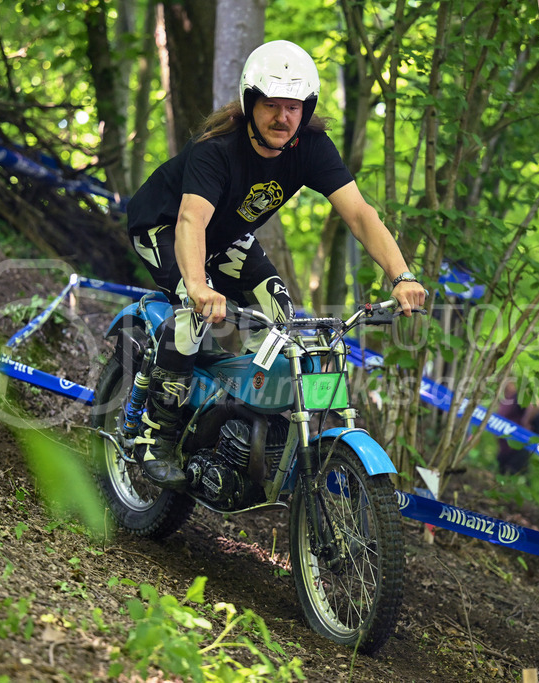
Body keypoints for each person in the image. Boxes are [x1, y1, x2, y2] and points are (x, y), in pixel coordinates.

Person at [126, 40, 427, 488]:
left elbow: (361, 214)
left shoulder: (311, 147)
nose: (282, 118)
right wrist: (198, 285)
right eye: (271, 105)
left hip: (225, 238)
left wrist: (401, 275)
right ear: (251, 103)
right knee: (192, 314)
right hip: (165, 226)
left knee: (284, 320)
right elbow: (191, 219)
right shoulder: (219, 149)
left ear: (306, 110)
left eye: (293, 107)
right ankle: (156, 435)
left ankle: (239, 419)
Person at [496, 379, 539, 476]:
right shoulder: (504, 401)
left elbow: (536, 404)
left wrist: (525, 421)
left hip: (518, 446)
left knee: (517, 476)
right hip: (504, 450)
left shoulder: (518, 397)